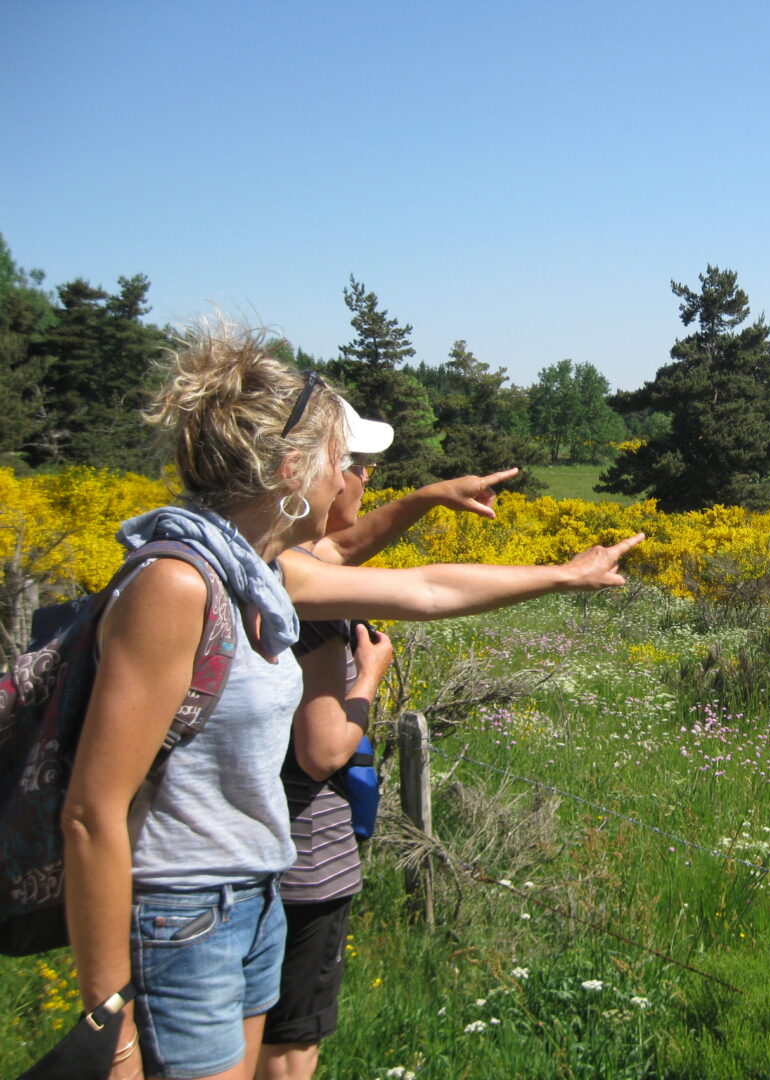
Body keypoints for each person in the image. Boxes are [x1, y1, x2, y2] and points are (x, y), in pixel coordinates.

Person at [60, 319, 642, 1080]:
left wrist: (564, 574)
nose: (347, 477)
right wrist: (113, 1028)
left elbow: (425, 588)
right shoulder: (178, 582)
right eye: (342, 459)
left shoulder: (261, 569)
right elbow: (91, 811)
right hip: (182, 910)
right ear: (292, 466)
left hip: (253, 894)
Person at [258, 404, 517, 1080]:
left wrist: (429, 498)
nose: (365, 480)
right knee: (288, 1045)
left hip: (261, 858)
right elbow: (322, 751)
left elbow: (347, 546)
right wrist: (368, 678)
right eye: (356, 466)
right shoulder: (299, 596)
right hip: (302, 861)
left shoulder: (262, 559)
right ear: (305, 475)